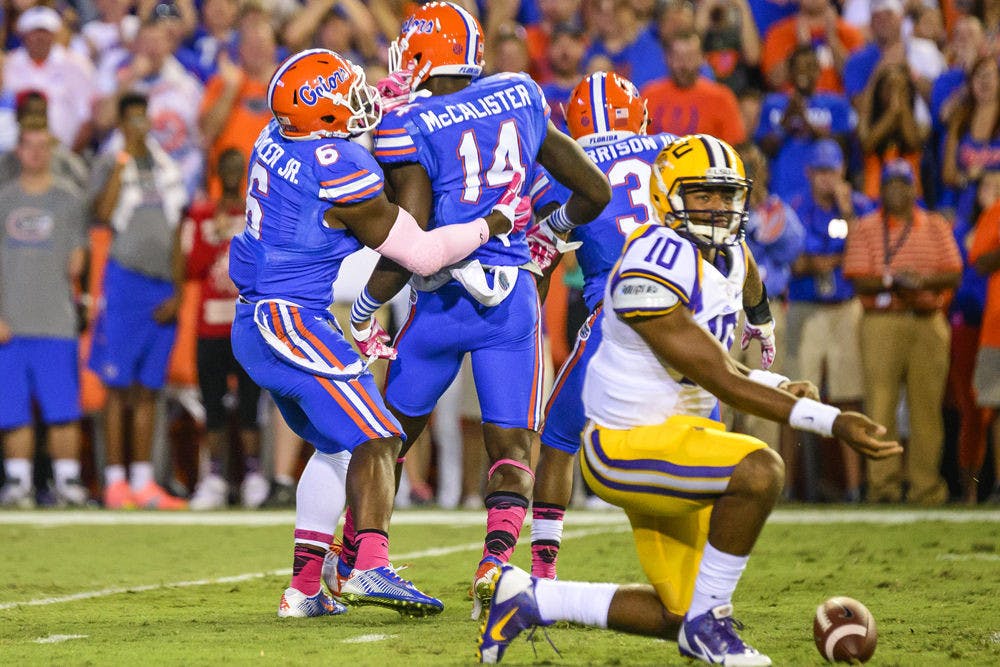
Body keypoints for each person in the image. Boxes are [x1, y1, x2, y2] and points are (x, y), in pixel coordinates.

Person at [477, 134, 902, 665]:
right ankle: (712, 623)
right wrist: (828, 420)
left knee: (675, 612)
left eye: (728, 196)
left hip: (676, 434)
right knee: (758, 471)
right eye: (704, 196)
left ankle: (530, 597)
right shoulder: (651, 261)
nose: (720, 208)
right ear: (667, 197)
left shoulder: (725, 259)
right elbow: (718, 377)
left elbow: (710, 367)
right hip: (624, 446)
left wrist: (777, 385)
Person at [229, 47, 523, 618]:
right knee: (381, 436)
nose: (359, 98)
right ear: (324, 116)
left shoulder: (276, 133)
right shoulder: (339, 166)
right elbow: (424, 251)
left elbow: (325, 153)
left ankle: (306, 590)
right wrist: (498, 220)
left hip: (265, 317)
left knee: (339, 445)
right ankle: (368, 568)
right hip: (288, 319)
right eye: (344, 93)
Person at [340, 1, 611, 620]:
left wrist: (366, 304)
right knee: (511, 442)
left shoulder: (409, 122)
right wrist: (549, 234)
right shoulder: (519, 93)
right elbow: (592, 190)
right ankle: (496, 564)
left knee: (385, 436)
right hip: (509, 297)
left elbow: (412, 237)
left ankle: (357, 556)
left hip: (439, 302)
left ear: (421, 56)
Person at [88, 91, 189, 511]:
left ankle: (144, 482)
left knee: (149, 387)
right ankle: (114, 482)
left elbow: (177, 234)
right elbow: (103, 213)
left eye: (142, 119)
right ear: (121, 125)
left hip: (161, 285)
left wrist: (179, 292)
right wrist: (123, 161)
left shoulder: (166, 167)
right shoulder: (113, 163)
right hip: (125, 281)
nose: (138, 127)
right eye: (130, 120)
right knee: (117, 386)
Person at [843, 159, 962, 504]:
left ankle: (926, 488)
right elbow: (856, 277)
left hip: (928, 321)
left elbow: (954, 272)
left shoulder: (936, 226)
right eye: (890, 184)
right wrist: (893, 280)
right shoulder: (866, 227)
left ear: (915, 188)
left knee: (927, 409)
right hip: (882, 322)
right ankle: (883, 488)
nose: (897, 190)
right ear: (880, 190)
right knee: (880, 406)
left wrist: (920, 281)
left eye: (903, 183)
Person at [0, 117, 89, 508]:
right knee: (12, 409)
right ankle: (18, 483)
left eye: (43, 145)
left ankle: (67, 482)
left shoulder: (69, 199)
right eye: (29, 145)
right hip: (11, 322)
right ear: (18, 151)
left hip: (56, 320)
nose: (36, 152)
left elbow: (77, 262)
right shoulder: (3, 201)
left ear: (51, 151)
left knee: (62, 407)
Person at [184, 148, 267, 510]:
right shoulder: (203, 213)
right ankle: (215, 476)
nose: (233, 174)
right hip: (212, 323)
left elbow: (266, 261)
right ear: (219, 171)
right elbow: (191, 265)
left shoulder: (257, 213)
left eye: (239, 168)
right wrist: (214, 234)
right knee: (212, 404)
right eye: (227, 168)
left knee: (251, 404)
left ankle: (252, 475)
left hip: (247, 321)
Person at [641, 31, 747, 147]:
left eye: (690, 57)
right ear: (668, 58)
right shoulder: (649, 95)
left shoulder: (721, 98)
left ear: (702, 58)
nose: (684, 65)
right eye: (678, 57)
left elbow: (735, 147)